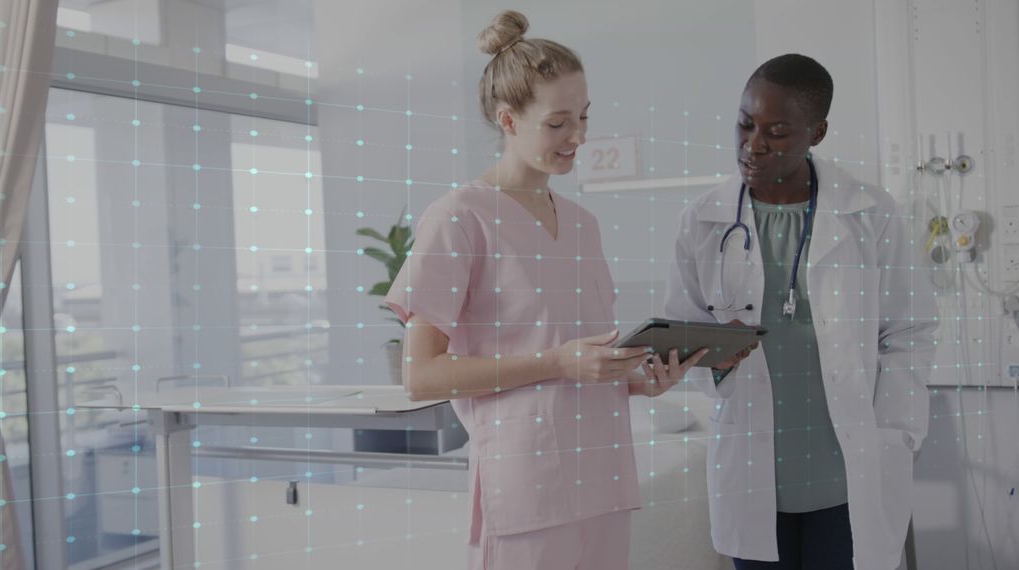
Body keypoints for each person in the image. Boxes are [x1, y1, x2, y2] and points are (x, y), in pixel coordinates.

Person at [385, 10, 707, 570]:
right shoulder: (459, 217)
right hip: (527, 484)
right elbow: (421, 375)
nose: (578, 136)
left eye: (583, 117)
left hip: (604, 475)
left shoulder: (583, 223)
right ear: (508, 120)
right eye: (558, 123)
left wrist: (636, 379)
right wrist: (557, 362)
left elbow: (576, 357)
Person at [664, 54, 937, 569]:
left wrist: (898, 429)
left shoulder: (870, 212)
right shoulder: (702, 220)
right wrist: (714, 358)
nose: (753, 144)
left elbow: (909, 329)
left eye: (778, 132)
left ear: (818, 131)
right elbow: (684, 331)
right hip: (754, 472)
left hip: (849, 470)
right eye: (745, 124)